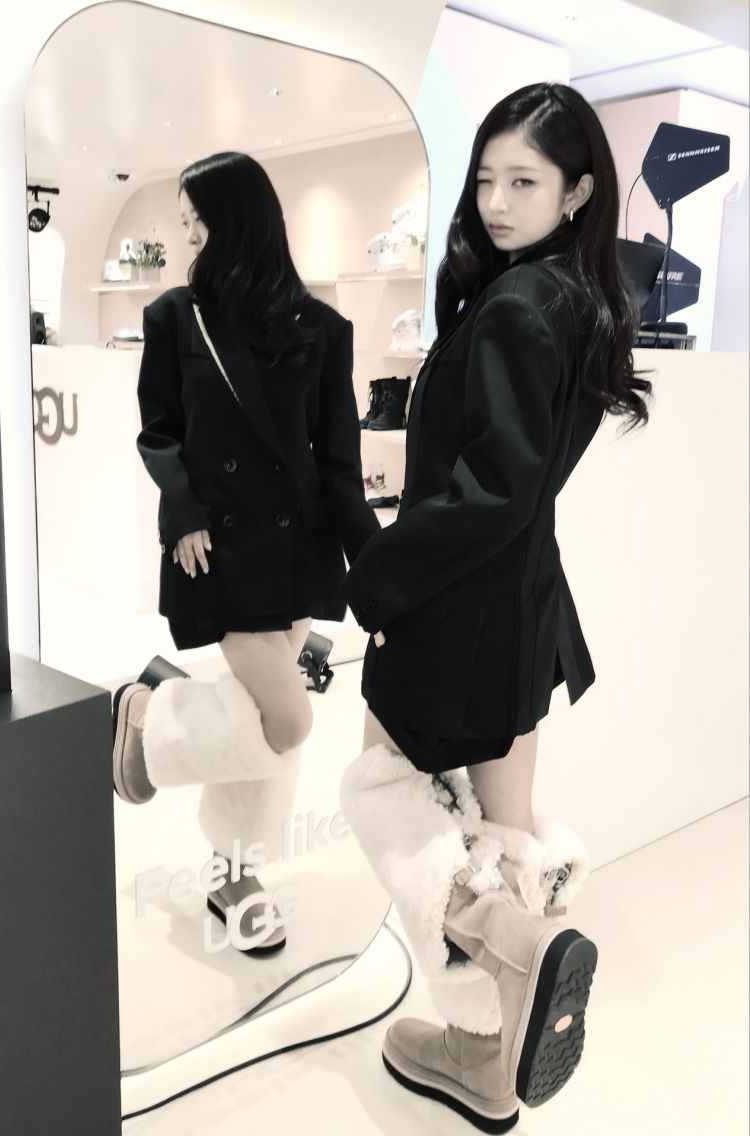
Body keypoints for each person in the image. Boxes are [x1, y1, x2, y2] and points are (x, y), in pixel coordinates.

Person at [339, 83, 651, 1131]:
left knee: (383, 790)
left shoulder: (519, 305)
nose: (497, 202)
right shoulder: (571, 296)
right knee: (504, 830)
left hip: (456, 608)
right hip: (519, 605)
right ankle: (488, 1048)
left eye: (524, 181)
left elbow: (490, 491)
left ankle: (511, 959)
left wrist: (378, 575)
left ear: (577, 192)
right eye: (486, 180)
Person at [112, 152, 379, 954]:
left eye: (198, 219)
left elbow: (339, 462)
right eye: (184, 221)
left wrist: (376, 570)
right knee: (289, 720)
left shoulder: (323, 329)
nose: (188, 235)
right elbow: (160, 430)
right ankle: (148, 718)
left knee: (263, 721)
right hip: (219, 548)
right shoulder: (176, 318)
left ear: (239, 220)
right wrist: (183, 509)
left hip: (298, 551)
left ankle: (235, 877)